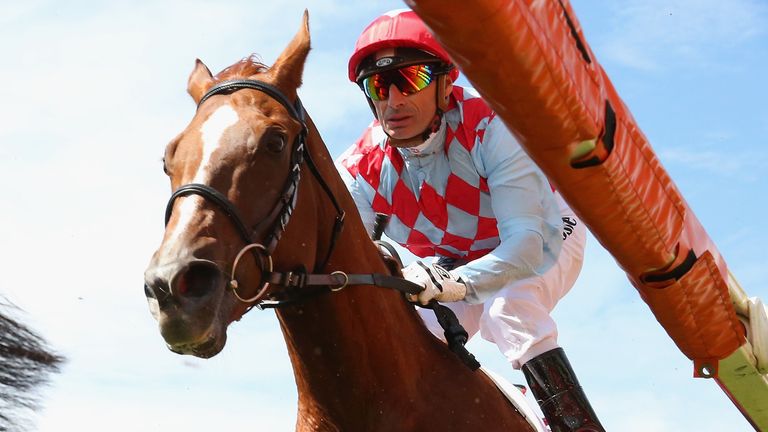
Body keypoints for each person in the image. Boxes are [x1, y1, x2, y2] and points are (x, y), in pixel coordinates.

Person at [336, 9, 604, 432]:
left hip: (542, 231)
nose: (394, 100)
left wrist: (457, 283)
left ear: (446, 85)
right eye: (379, 85)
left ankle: (578, 426)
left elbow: (524, 247)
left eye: (410, 79)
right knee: (403, 336)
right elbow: (349, 266)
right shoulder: (358, 170)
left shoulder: (492, 126)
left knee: (507, 307)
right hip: (458, 257)